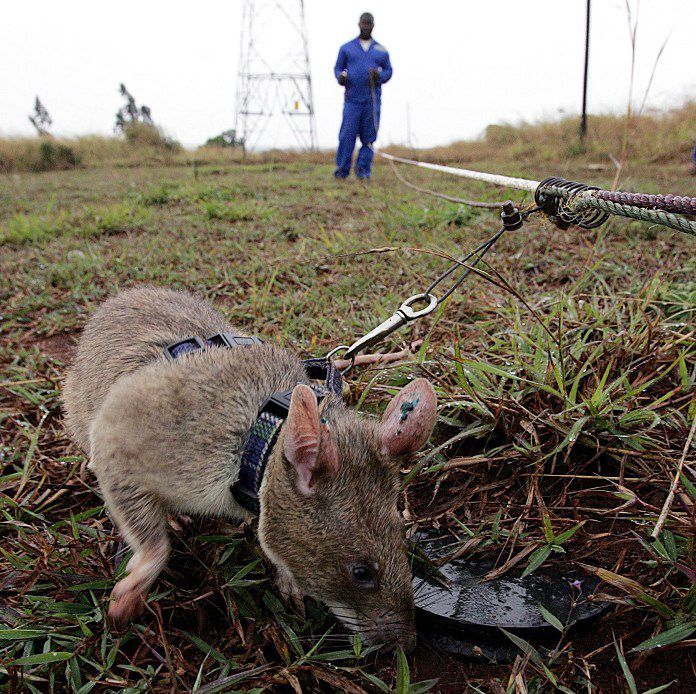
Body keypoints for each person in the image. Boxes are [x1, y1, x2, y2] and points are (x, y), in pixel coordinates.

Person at [333, 12, 392, 180]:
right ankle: (341, 172)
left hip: (371, 101)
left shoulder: (381, 50)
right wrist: (341, 77)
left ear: (373, 26)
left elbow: (389, 71)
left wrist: (378, 76)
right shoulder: (347, 48)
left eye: (369, 24)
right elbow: (337, 69)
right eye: (363, 23)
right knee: (346, 136)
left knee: (368, 138)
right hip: (352, 101)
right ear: (359, 24)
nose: (366, 26)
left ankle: (363, 172)